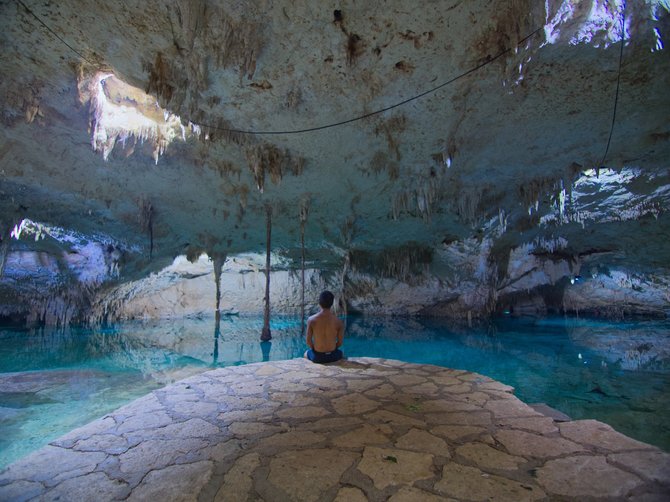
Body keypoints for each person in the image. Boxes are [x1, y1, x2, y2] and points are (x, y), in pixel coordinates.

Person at [304, 290, 344, 363]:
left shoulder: (311, 320)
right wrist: (332, 349)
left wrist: (314, 348)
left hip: (317, 357)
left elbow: (308, 341)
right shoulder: (339, 321)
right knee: (341, 353)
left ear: (319, 303)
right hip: (333, 356)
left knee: (306, 353)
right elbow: (340, 343)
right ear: (331, 304)